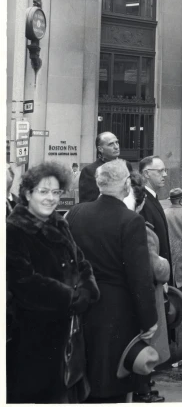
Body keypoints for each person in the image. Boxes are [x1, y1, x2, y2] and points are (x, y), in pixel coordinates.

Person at [7, 162, 100, 403]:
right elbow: (24, 282)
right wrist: (71, 297)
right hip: (33, 337)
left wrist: (89, 289)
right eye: (43, 192)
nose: (51, 198)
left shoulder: (60, 223)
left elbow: (81, 262)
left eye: (56, 192)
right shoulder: (13, 230)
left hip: (69, 333)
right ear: (28, 193)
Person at [67, 159, 158, 403]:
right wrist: (149, 319)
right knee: (111, 381)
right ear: (127, 184)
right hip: (117, 311)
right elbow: (140, 277)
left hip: (83, 305)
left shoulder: (76, 213)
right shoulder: (130, 220)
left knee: (83, 376)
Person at [126, 171, 170, 404]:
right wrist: (164, 264)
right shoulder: (141, 228)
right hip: (144, 297)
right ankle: (143, 389)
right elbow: (156, 268)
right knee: (145, 342)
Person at [139, 156, 173, 285]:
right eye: (160, 171)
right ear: (146, 174)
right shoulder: (143, 201)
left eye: (165, 170)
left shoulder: (152, 198)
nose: (164, 175)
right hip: (155, 279)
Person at [78, 132, 131, 203]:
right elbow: (87, 202)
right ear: (100, 149)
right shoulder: (89, 171)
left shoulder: (126, 165)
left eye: (117, 142)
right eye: (111, 144)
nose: (116, 147)